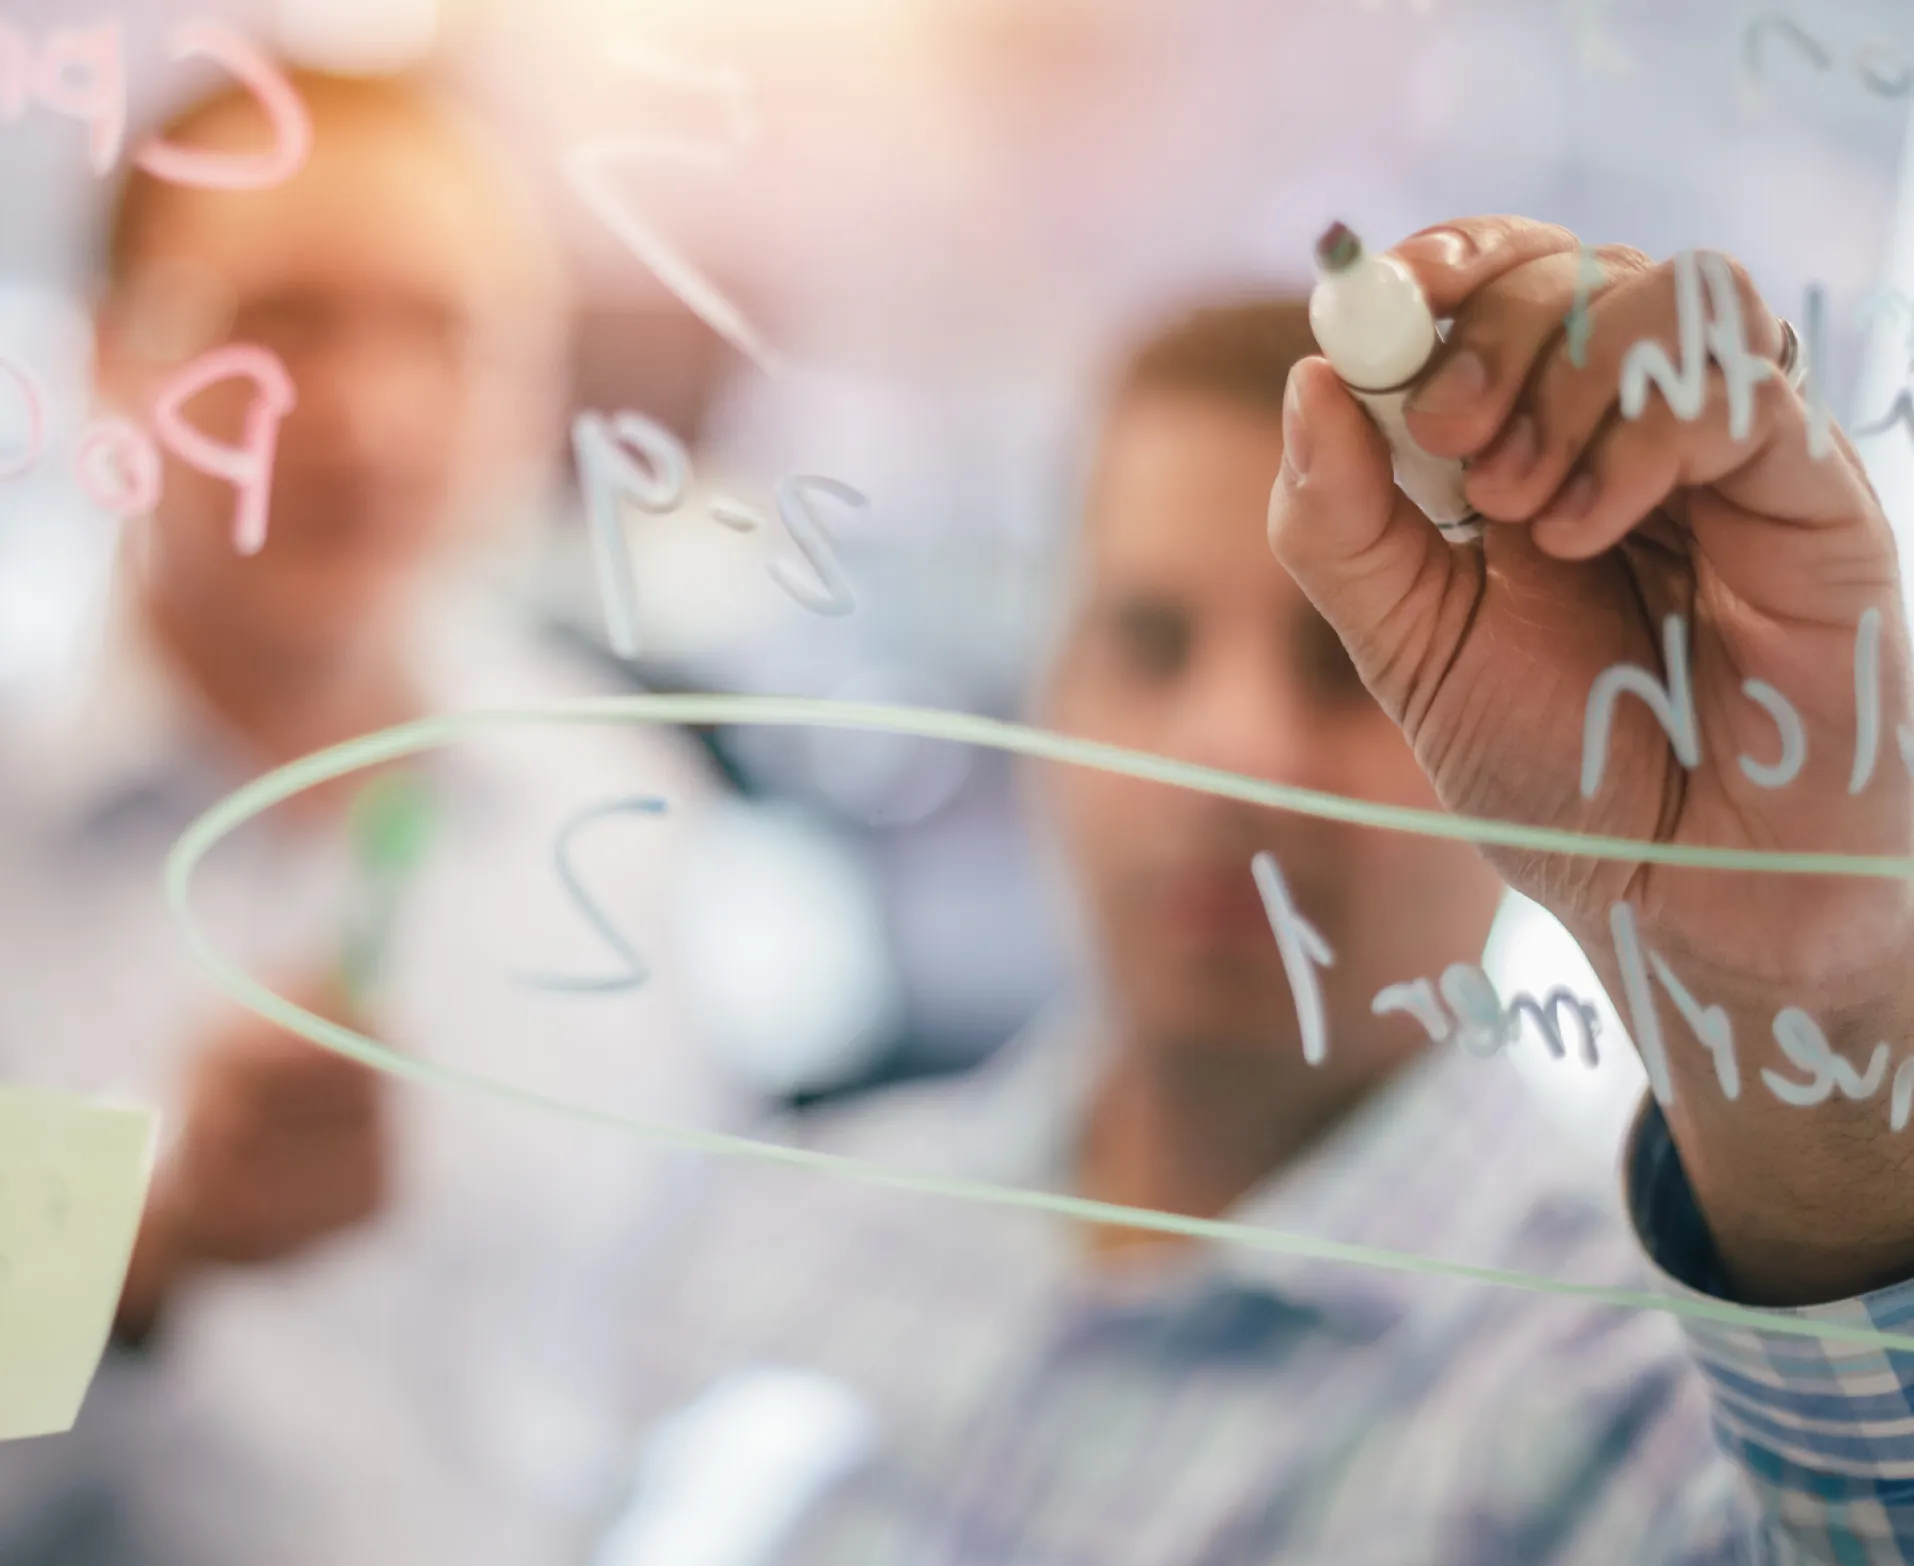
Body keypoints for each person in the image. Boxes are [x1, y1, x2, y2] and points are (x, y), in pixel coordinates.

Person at [580, 239, 1914, 1566]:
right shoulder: (784, 1234)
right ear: (1045, 686)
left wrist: (1804, 1018)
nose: (1228, 753)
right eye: (1149, 640)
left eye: (1350, 663)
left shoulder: (1634, 1402)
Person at [0, 70, 746, 1566]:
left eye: (445, 333)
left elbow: (677, 1357)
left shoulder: (623, 810)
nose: (367, 412)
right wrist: (144, 1246)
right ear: (108, 358)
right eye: (281, 322)